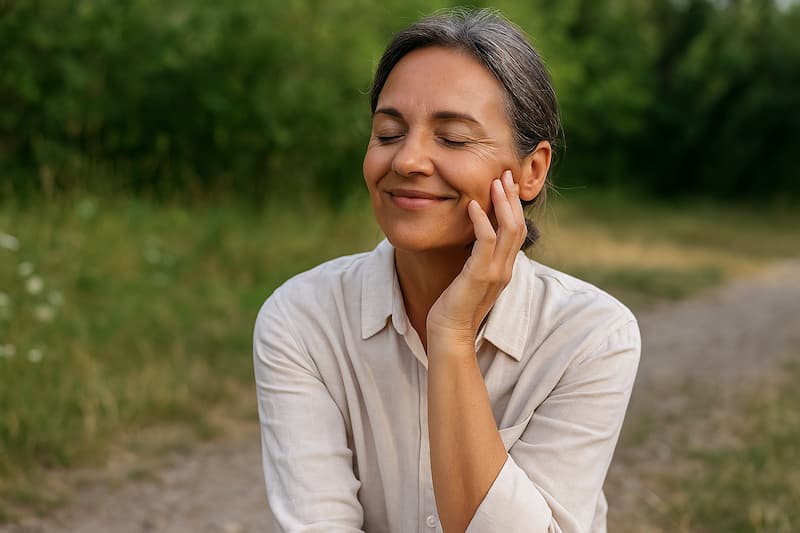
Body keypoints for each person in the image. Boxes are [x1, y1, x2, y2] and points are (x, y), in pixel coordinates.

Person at [253, 8, 640, 533]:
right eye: (388, 133)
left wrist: (452, 337)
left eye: (453, 139)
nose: (407, 160)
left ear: (531, 171)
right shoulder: (303, 319)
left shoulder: (590, 336)